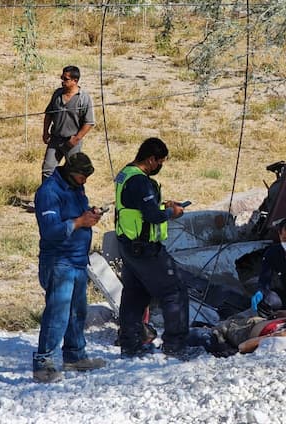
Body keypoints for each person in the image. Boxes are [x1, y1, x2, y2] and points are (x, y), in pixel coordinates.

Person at [114, 137, 191, 358]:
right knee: (174, 290)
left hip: (128, 246)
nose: (160, 167)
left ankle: (130, 344)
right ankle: (175, 345)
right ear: (150, 159)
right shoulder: (140, 181)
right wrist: (171, 213)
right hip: (145, 249)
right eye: (160, 162)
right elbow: (152, 216)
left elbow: (137, 207)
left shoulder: (125, 173)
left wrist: (161, 204)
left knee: (134, 295)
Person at [33, 152, 105, 383]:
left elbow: (76, 216)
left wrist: (89, 216)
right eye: (82, 176)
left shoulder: (76, 187)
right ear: (69, 171)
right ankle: (43, 365)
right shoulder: (49, 192)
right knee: (58, 314)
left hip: (78, 261)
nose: (85, 181)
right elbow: (51, 231)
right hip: (59, 261)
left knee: (77, 313)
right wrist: (79, 222)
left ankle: (75, 356)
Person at [41, 65, 95, 181]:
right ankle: (47, 197)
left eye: (65, 79)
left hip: (72, 142)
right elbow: (49, 114)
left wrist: (76, 139)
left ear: (75, 81)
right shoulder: (57, 94)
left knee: (74, 174)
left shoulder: (84, 98)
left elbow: (89, 122)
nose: (62, 81)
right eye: (62, 77)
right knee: (47, 171)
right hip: (55, 140)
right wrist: (45, 133)